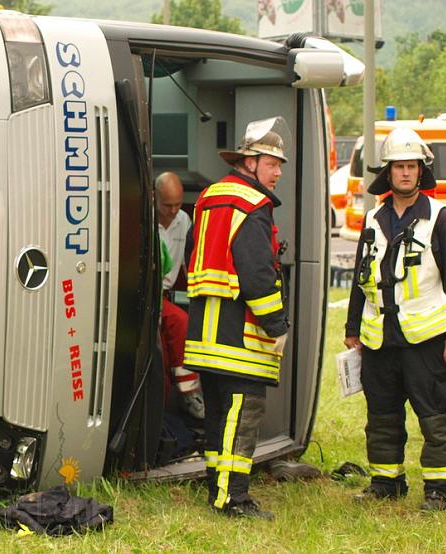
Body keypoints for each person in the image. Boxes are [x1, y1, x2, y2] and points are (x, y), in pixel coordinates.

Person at [344, 127, 446, 511]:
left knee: (434, 411)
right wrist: (352, 330)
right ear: (388, 171)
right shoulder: (373, 218)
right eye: (399, 166)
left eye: (412, 166)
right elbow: (359, 278)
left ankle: (440, 488)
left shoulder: (440, 217)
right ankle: (386, 480)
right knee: (381, 412)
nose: (405, 173)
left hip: (427, 337)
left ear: (421, 171)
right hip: (379, 336)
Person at [184, 118, 290, 520]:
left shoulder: (210, 197)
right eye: (272, 163)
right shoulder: (252, 205)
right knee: (243, 417)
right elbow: (258, 275)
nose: (278, 172)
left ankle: (218, 487)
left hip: (206, 334)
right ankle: (233, 499)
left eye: (280, 165)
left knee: (218, 415)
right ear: (249, 162)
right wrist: (277, 326)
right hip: (240, 338)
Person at [156, 171, 204, 419]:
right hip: (149, 296)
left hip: (167, 295)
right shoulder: (145, 219)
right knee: (179, 324)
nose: (173, 210)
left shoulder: (184, 220)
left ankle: (184, 395)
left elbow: (189, 262)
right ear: (155, 198)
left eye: (177, 204)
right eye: (167, 205)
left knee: (178, 331)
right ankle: (184, 395)